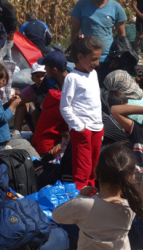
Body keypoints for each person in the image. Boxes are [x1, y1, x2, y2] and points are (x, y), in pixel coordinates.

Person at [53, 142, 143, 250]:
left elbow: (56, 216)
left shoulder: (84, 204)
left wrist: (80, 197)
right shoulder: (131, 207)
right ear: (131, 177)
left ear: (96, 172)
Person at [60, 36, 104, 190]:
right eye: (93, 59)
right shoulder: (72, 78)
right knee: (82, 169)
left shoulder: (93, 74)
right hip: (82, 130)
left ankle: (92, 196)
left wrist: (100, 125)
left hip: (97, 128)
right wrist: (79, 127)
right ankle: (80, 199)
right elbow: (65, 107)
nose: (97, 63)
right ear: (80, 57)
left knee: (93, 168)